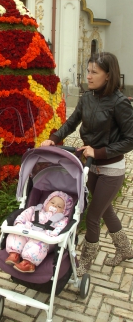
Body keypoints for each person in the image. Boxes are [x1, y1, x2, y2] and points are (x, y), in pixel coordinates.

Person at [41, 52, 133, 276]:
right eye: (88, 71)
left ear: (108, 76)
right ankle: (125, 249)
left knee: (92, 216)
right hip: (90, 166)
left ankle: (84, 262)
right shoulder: (87, 98)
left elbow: (130, 139)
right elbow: (71, 123)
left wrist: (99, 151)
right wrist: (53, 138)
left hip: (111, 170)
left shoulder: (120, 103)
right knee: (106, 210)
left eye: (94, 72)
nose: (88, 76)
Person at [5, 191, 73, 273]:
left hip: (44, 237)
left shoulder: (62, 220)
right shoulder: (36, 210)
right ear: (46, 202)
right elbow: (24, 215)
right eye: (52, 202)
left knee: (38, 245)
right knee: (16, 234)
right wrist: (19, 223)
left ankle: (28, 263)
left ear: (64, 211)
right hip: (28, 230)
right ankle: (14, 253)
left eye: (59, 206)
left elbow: (60, 229)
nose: (54, 206)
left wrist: (51, 235)